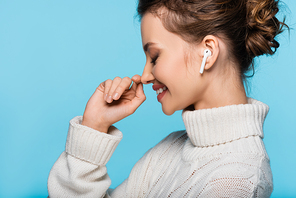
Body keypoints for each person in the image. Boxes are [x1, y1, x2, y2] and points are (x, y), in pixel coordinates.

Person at [48, 0, 288, 197]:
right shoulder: (170, 150)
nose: (144, 76)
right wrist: (94, 126)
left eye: (154, 57)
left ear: (208, 52)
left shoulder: (236, 183)